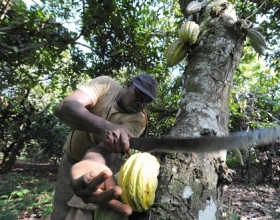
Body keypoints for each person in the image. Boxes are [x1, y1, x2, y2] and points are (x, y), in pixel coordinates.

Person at [51, 73, 158, 220]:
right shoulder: (105, 85)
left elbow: (106, 149)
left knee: (82, 214)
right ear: (128, 84)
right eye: (138, 95)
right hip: (70, 160)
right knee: (60, 212)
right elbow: (66, 107)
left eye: (146, 101)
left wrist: (92, 163)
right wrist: (104, 127)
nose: (140, 103)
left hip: (100, 169)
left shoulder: (138, 120)